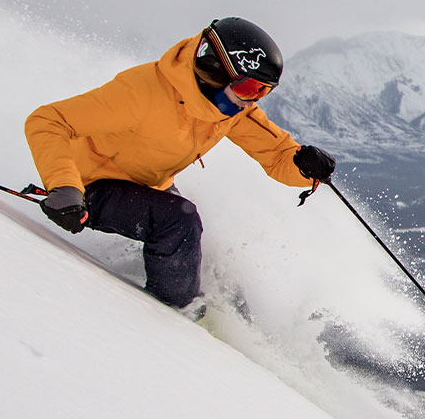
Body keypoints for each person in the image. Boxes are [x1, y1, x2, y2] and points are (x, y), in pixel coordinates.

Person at [23, 17, 336, 318]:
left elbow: (276, 153)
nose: (252, 101)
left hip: (144, 185)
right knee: (179, 222)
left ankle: (218, 318)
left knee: (214, 268)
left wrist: (303, 165)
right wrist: (64, 186)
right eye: (250, 88)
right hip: (87, 186)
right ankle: (174, 321)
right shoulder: (141, 93)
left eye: (263, 92)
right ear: (215, 71)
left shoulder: (227, 110)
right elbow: (48, 120)